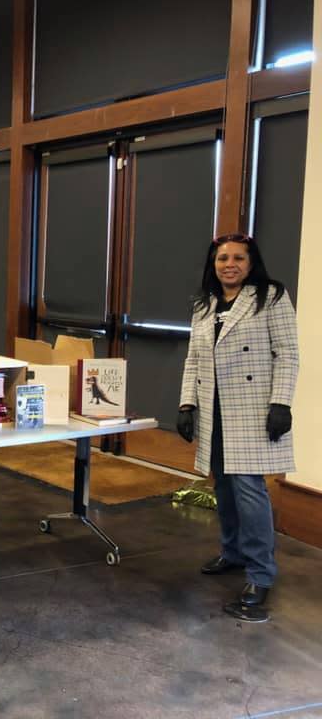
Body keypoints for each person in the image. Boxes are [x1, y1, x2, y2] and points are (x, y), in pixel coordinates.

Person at [177, 233, 298, 615]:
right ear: (213, 264)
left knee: (249, 491)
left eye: (238, 258)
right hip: (214, 410)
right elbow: (194, 359)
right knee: (224, 488)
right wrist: (186, 404)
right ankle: (232, 552)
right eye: (222, 258)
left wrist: (281, 402)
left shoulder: (271, 297)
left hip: (251, 409)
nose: (229, 264)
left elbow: (288, 354)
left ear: (251, 262)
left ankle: (261, 574)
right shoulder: (204, 303)